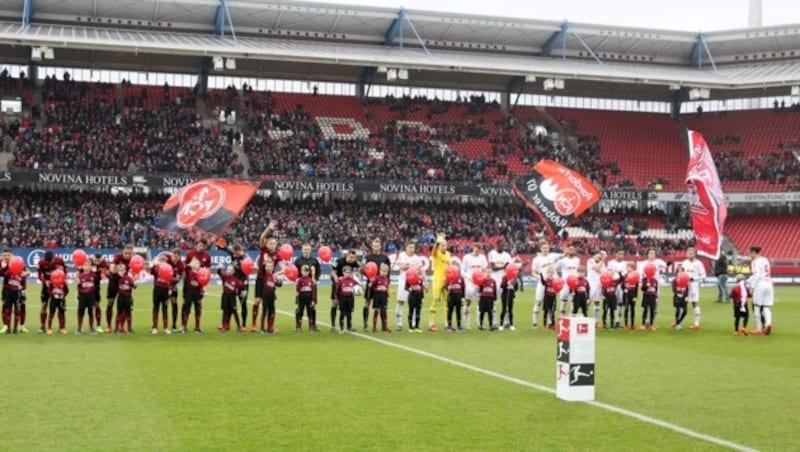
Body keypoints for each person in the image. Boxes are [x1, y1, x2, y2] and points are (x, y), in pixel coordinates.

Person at [254, 220, 280, 332]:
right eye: (270, 243)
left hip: (270, 281)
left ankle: (271, 325)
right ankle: (254, 323)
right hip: (260, 279)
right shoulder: (263, 249)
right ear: (266, 244)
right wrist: (269, 228)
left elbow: (284, 267)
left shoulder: (277, 255)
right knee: (257, 301)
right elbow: (261, 237)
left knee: (270, 305)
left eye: (274, 243)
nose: (272, 245)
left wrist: (277, 275)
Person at [220, 242, 251, 332]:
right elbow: (226, 249)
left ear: (239, 251)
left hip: (243, 284)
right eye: (233, 252)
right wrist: (221, 245)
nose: (233, 254)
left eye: (235, 252)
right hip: (233, 283)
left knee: (243, 303)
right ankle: (227, 324)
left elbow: (249, 269)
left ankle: (244, 324)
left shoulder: (245, 258)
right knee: (230, 304)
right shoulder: (233, 254)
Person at [362, 238, 390, 331]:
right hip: (371, 283)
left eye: (378, 245)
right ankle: (365, 323)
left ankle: (384, 325)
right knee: (367, 303)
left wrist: (388, 285)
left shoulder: (385, 258)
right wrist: (368, 276)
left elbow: (388, 272)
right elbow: (362, 269)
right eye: (374, 245)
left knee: (382, 306)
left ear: (381, 246)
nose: (376, 247)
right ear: (372, 246)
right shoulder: (367, 257)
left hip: (382, 286)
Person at [394, 242, 422, 332]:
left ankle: (413, 324)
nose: (412, 249)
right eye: (410, 247)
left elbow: (419, 269)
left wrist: (408, 267)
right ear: (406, 248)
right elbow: (401, 266)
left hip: (413, 283)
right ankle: (399, 323)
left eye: (413, 247)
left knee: (414, 304)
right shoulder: (402, 255)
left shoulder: (417, 258)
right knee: (400, 302)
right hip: (403, 282)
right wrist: (412, 267)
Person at [107, 244, 134, 333]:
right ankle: (109, 326)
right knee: (110, 303)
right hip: (114, 282)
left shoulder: (133, 260)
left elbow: (135, 271)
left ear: (132, 253)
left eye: (129, 254)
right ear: (123, 251)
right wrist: (115, 271)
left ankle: (122, 326)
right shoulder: (118, 257)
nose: (127, 255)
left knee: (125, 306)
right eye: (126, 253)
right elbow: (112, 267)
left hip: (124, 284)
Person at [331, 250, 361, 332]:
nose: (352, 259)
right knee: (335, 304)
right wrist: (336, 278)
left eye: (354, 258)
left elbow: (360, 269)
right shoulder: (338, 261)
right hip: (338, 284)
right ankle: (333, 325)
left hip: (348, 285)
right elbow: (333, 272)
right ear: (346, 255)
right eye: (351, 257)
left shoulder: (355, 262)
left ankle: (349, 326)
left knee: (348, 307)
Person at [37, 250, 66, 333]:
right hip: (47, 286)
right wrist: (44, 281)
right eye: (47, 262)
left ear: (54, 258)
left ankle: (62, 327)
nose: (49, 263)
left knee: (61, 307)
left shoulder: (60, 261)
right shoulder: (41, 263)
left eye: (51, 261)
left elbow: (65, 272)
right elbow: (39, 274)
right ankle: (42, 326)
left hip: (58, 287)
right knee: (44, 305)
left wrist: (62, 281)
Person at [531, 241, 558, 328]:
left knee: (550, 303)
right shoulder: (536, 259)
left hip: (552, 284)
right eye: (544, 248)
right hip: (542, 283)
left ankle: (550, 323)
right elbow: (533, 272)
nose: (546, 249)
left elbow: (563, 256)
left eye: (547, 247)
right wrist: (540, 278)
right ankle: (534, 323)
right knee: (538, 302)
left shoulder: (552, 256)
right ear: (540, 248)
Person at [461, 242, 487, 330]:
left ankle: (479, 323)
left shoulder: (482, 258)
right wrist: (469, 278)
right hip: (469, 283)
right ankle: (467, 323)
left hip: (479, 283)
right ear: (473, 248)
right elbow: (462, 271)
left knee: (480, 303)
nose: (477, 251)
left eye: (479, 249)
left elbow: (485, 269)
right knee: (467, 302)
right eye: (476, 248)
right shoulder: (466, 257)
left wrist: (483, 278)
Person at [1, 251, 28, 334]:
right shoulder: (2, 263)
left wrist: (28, 273)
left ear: (12, 255)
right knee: (6, 308)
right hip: (7, 289)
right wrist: (4, 267)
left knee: (21, 307)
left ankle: (21, 326)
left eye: (8, 255)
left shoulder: (18, 262)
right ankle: (6, 326)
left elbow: (26, 272)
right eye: (4, 255)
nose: (6, 257)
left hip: (20, 289)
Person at [748, 246, 774, 335]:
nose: (749, 255)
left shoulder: (755, 262)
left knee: (757, 306)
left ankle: (758, 328)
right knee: (766, 307)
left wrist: (752, 286)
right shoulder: (765, 259)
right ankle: (768, 323)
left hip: (760, 285)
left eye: (750, 253)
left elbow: (757, 275)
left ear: (754, 252)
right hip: (769, 284)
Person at [680, 246, 707, 330]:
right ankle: (678, 321)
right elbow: (681, 272)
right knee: (682, 303)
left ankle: (696, 323)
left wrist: (694, 278)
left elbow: (703, 275)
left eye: (691, 253)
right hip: (684, 285)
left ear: (695, 254)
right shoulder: (684, 262)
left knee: (694, 303)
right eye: (688, 253)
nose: (689, 254)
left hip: (693, 285)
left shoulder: (699, 263)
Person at [429, 233, 451, 332]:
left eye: (445, 245)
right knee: (435, 301)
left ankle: (447, 323)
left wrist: (450, 280)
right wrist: (437, 242)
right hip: (437, 280)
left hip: (446, 281)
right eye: (442, 245)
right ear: (439, 246)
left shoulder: (448, 254)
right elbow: (433, 252)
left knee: (447, 303)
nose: (444, 246)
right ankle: (431, 323)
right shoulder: (436, 252)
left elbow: (449, 268)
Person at [555, 244, 580, 316]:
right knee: (563, 300)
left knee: (573, 300)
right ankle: (562, 319)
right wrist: (558, 278)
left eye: (573, 249)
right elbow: (555, 268)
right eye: (570, 249)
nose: (572, 251)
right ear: (567, 250)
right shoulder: (562, 260)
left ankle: (572, 318)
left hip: (574, 283)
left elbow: (577, 270)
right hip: (565, 283)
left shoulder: (577, 260)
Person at [218, 264, 245, 333]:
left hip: (232, 297)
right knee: (225, 312)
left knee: (235, 311)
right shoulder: (224, 277)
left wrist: (244, 288)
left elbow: (242, 286)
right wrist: (219, 268)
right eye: (228, 269)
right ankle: (224, 326)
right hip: (225, 296)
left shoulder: (235, 280)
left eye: (230, 270)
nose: (229, 271)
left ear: (233, 272)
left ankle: (239, 326)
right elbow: (219, 273)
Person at [335, 266, 361, 333]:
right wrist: (337, 299)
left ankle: (349, 327)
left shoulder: (353, 280)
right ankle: (341, 328)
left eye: (349, 272)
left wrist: (359, 291)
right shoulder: (340, 281)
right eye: (346, 272)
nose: (348, 274)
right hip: (342, 298)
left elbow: (359, 288)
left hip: (350, 298)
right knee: (342, 313)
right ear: (343, 273)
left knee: (349, 313)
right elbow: (337, 291)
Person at [151, 257, 173, 334]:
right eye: (161, 261)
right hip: (157, 289)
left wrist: (170, 289)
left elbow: (170, 280)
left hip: (165, 290)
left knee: (165, 309)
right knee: (156, 308)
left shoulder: (169, 269)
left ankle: (166, 327)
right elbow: (151, 272)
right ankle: (154, 327)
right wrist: (154, 265)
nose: (162, 262)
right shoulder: (156, 268)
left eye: (164, 261)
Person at [606, 249, 627, 329]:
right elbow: (609, 274)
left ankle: (618, 320)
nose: (621, 255)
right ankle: (611, 320)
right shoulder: (610, 263)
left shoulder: (625, 264)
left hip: (621, 285)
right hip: (613, 285)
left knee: (620, 303)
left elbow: (625, 275)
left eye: (622, 254)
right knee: (611, 303)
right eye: (619, 253)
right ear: (616, 254)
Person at [181, 262, 204, 334]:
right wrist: (189, 264)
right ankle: (184, 327)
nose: (195, 266)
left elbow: (202, 285)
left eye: (197, 265)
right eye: (194, 265)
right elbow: (184, 267)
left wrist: (201, 294)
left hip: (197, 294)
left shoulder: (200, 274)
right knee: (186, 310)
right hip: (188, 293)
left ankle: (197, 327)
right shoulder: (188, 272)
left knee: (198, 310)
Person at [260, 260, 282, 334]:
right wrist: (265, 263)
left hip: (272, 296)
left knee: (272, 311)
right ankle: (262, 329)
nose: (269, 268)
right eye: (268, 266)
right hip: (265, 295)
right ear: (265, 268)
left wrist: (280, 281)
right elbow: (262, 268)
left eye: (271, 266)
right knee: (264, 311)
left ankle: (270, 327)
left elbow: (279, 285)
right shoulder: (264, 274)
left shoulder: (274, 276)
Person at [75, 261, 97, 335]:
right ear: (83, 267)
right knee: (81, 312)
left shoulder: (94, 275)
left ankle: (91, 328)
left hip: (91, 295)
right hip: (82, 296)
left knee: (91, 312)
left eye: (89, 265)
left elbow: (97, 283)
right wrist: (77, 281)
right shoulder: (80, 275)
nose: (87, 267)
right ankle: (79, 328)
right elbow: (77, 286)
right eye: (85, 265)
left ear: (91, 267)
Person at [295, 265, 317, 333]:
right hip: (301, 299)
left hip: (309, 299)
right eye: (304, 271)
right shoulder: (300, 280)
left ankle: (311, 327)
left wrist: (313, 300)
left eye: (307, 271)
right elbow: (297, 289)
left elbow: (313, 291)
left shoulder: (311, 280)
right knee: (300, 312)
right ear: (301, 272)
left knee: (309, 313)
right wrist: (297, 295)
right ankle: (299, 327)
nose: (305, 273)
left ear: (309, 272)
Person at [89, 253, 109, 333]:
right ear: (93, 258)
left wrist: (106, 273)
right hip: (86, 288)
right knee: (86, 307)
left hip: (96, 288)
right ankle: (84, 327)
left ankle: (98, 326)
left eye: (99, 260)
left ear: (102, 259)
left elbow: (108, 274)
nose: (97, 262)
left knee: (97, 306)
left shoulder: (104, 264)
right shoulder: (89, 262)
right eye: (96, 260)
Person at [369, 263, 391, 333]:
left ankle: (385, 326)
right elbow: (372, 286)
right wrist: (371, 284)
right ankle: (374, 326)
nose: (384, 273)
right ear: (380, 271)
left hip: (384, 296)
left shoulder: (387, 279)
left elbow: (387, 288)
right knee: (376, 311)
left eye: (386, 271)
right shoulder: (376, 278)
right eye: (383, 271)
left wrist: (388, 296)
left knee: (384, 311)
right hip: (377, 296)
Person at [586, 252, 606, 325]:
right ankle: (586, 318)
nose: (598, 257)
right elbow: (597, 268)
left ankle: (595, 320)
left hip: (599, 284)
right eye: (597, 256)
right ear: (593, 256)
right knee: (588, 301)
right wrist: (603, 260)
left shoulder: (603, 264)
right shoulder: (590, 261)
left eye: (599, 257)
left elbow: (604, 273)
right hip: (591, 284)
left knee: (597, 302)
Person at [168, 249, 185, 333]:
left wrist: (169, 279)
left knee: (174, 304)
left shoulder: (181, 265)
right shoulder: (167, 260)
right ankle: (155, 326)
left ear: (179, 257)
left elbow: (177, 279)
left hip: (173, 287)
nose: (174, 258)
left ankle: (174, 325)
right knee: (161, 304)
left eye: (176, 256)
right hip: (164, 286)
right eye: (173, 256)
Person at [445, 263, 465, 332]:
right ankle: (449, 326)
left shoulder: (461, 278)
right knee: (450, 311)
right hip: (451, 296)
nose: (455, 269)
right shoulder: (449, 277)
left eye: (457, 268)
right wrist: (448, 287)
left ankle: (459, 325)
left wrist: (463, 298)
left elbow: (463, 288)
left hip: (459, 296)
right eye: (454, 268)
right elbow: (445, 287)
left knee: (458, 311)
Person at [406, 268, 425, 333]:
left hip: (419, 297)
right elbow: (405, 287)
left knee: (418, 312)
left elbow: (422, 289)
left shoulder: (420, 279)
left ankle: (417, 327)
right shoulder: (409, 278)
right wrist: (409, 289)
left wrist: (423, 298)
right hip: (412, 296)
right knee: (411, 311)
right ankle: (410, 327)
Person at [622, 262, 638, 330]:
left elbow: (636, 287)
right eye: (627, 267)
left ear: (633, 268)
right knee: (626, 309)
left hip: (632, 294)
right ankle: (626, 324)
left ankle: (632, 324)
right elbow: (622, 285)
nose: (628, 269)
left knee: (632, 309)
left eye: (630, 267)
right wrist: (624, 289)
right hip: (626, 295)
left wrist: (635, 296)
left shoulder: (635, 276)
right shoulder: (625, 276)